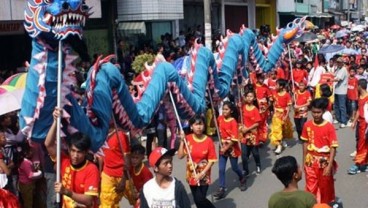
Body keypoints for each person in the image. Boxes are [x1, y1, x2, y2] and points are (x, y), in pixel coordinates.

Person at [45, 108, 100, 208]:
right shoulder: (64, 161)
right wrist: (56, 122)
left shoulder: (91, 169)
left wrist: (66, 192)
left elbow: (88, 200)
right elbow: (48, 144)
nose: (75, 156)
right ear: (69, 149)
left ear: (86, 152)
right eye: (73, 151)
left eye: (79, 152)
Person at [301, 98, 338, 204]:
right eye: (314, 112)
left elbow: (333, 147)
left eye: (318, 112)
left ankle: (324, 204)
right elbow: (305, 143)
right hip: (310, 161)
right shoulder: (307, 125)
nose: (316, 115)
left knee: (325, 187)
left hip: (324, 162)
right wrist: (304, 161)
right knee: (310, 186)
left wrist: (330, 165)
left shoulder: (329, 127)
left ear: (323, 111)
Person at [177, 115, 217, 208]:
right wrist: (182, 141)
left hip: (204, 176)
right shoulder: (188, 139)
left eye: (201, 124)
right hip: (192, 175)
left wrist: (202, 173)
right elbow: (180, 156)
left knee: (200, 199)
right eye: (196, 124)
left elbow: (211, 161)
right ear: (191, 126)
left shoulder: (208, 141)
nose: (199, 127)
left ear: (204, 126)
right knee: (197, 201)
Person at [214, 101, 246, 199]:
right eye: (223, 109)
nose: (224, 111)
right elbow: (213, 123)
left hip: (231, 148)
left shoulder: (233, 121)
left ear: (231, 111)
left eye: (226, 109)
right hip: (222, 146)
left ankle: (242, 178)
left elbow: (234, 139)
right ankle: (221, 188)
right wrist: (213, 113)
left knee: (234, 167)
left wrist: (226, 148)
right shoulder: (220, 118)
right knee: (221, 169)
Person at [100, 123, 131, 208]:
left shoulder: (121, 135)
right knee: (106, 204)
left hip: (122, 175)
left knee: (136, 199)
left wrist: (123, 180)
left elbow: (127, 159)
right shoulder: (101, 135)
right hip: (107, 174)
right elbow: (101, 157)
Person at [239, 89, 262, 176]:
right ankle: (246, 170)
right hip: (244, 134)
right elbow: (240, 117)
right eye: (247, 96)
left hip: (252, 134)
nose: (249, 98)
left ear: (254, 98)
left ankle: (258, 164)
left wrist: (247, 129)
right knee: (244, 154)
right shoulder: (243, 107)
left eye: (251, 96)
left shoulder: (255, 109)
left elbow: (257, 123)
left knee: (255, 152)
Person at [348, 79, 368, 175]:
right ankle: (363, 163)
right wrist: (354, 122)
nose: (356, 87)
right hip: (360, 124)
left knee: (362, 145)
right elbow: (359, 110)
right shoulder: (360, 97)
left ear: (360, 86)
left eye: (357, 86)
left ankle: (359, 164)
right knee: (361, 143)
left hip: (365, 125)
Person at [269, 79, 293, 154]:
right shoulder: (274, 93)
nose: (275, 86)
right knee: (276, 130)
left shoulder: (287, 94)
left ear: (281, 86)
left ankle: (283, 139)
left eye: (277, 85)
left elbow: (289, 106)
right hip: (276, 115)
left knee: (284, 129)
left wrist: (286, 115)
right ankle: (279, 145)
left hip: (284, 114)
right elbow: (272, 102)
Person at [18, 142, 42, 208]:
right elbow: (30, 175)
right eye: (31, 150)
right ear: (26, 152)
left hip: (24, 185)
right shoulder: (26, 162)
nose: (32, 152)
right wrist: (39, 173)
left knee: (27, 201)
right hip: (27, 186)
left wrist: (34, 169)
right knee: (28, 203)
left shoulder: (25, 161)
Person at [254, 73, 271, 144]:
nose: (262, 79)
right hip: (255, 107)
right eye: (260, 78)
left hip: (264, 108)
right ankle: (256, 137)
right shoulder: (253, 86)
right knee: (256, 123)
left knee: (263, 123)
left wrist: (268, 105)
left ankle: (262, 139)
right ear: (257, 78)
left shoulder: (265, 87)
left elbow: (270, 97)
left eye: (263, 78)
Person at [334, 57, 349, 128]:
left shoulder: (343, 69)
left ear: (342, 63)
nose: (338, 63)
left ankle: (344, 121)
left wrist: (329, 80)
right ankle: (338, 118)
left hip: (342, 91)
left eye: (340, 62)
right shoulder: (338, 69)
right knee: (336, 106)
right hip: (337, 90)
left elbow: (338, 79)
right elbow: (334, 75)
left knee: (342, 106)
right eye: (337, 62)